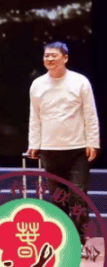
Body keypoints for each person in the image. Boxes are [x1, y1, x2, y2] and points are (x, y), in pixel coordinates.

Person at [27, 42, 99, 246]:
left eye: (54, 55)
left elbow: (90, 114)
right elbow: (35, 117)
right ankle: (63, 241)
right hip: (50, 150)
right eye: (46, 56)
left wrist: (93, 142)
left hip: (77, 150)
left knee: (78, 196)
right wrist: (34, 143)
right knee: (58, 199)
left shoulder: (80, 81)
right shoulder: (38, 84)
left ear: (65, 58)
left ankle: (79, 240)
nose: (49, 59)